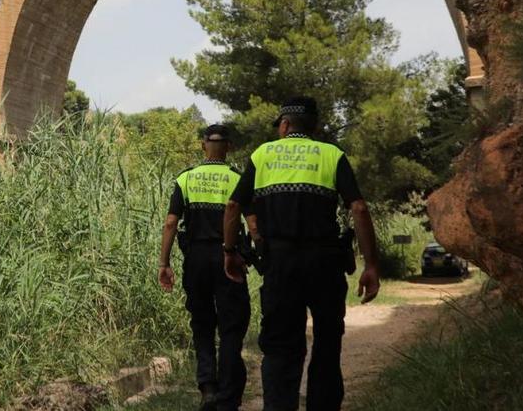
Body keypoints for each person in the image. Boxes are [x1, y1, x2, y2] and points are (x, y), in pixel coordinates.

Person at [222, 97, 380, 411]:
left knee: (281, 348)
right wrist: (371, 264)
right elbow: (359, 208)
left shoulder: (263, 154)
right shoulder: (331, 155)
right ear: (315, 127)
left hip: (280, 265)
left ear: (283, 125)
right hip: (325, 263)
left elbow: (233, 206)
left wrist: (230, 252)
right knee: (326, 343)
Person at [159, 124, 251, 411]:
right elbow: (253, 221)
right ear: (229, 147)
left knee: (202, 323)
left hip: (195, 259)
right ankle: (228, 390)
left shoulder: (186, 178)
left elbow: (171, 222)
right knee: (231, 324)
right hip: (228, 257)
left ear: (203, 146)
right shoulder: (237, 178)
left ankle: (208, 388)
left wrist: (164, 262)